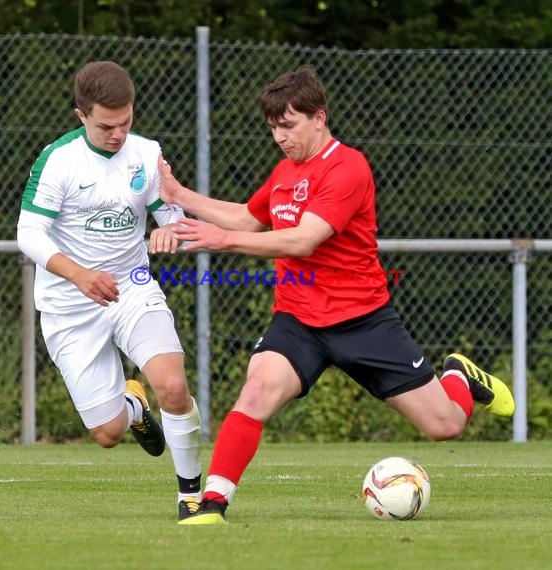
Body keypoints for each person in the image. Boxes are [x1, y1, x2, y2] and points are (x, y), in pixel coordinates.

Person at [152, 66, 515, 525]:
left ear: (319, 117)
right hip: (298, 321)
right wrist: (179, 193)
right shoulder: (285, 172)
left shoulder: (348, 167)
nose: (280, 137)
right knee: (256, 391)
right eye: (273, 128)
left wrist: (220, 241)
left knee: (446, 425)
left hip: (364, 321)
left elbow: (304, 240)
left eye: (289, 125)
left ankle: (459, 375)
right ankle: (213, 504)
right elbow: (247, 217)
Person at [17, 60, 202, 523]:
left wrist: (169, 232)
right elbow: (29, 234)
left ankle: (193, 498)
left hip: (132, 287)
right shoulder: (58, 160)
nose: (118, 134)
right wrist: (78, 274)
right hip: (69, 305)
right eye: (106, 126)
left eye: (126, 121)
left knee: (174, 385)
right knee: (107, 432)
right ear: (81, 115)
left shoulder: (146, 153)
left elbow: (172, 215)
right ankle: (133, 405)